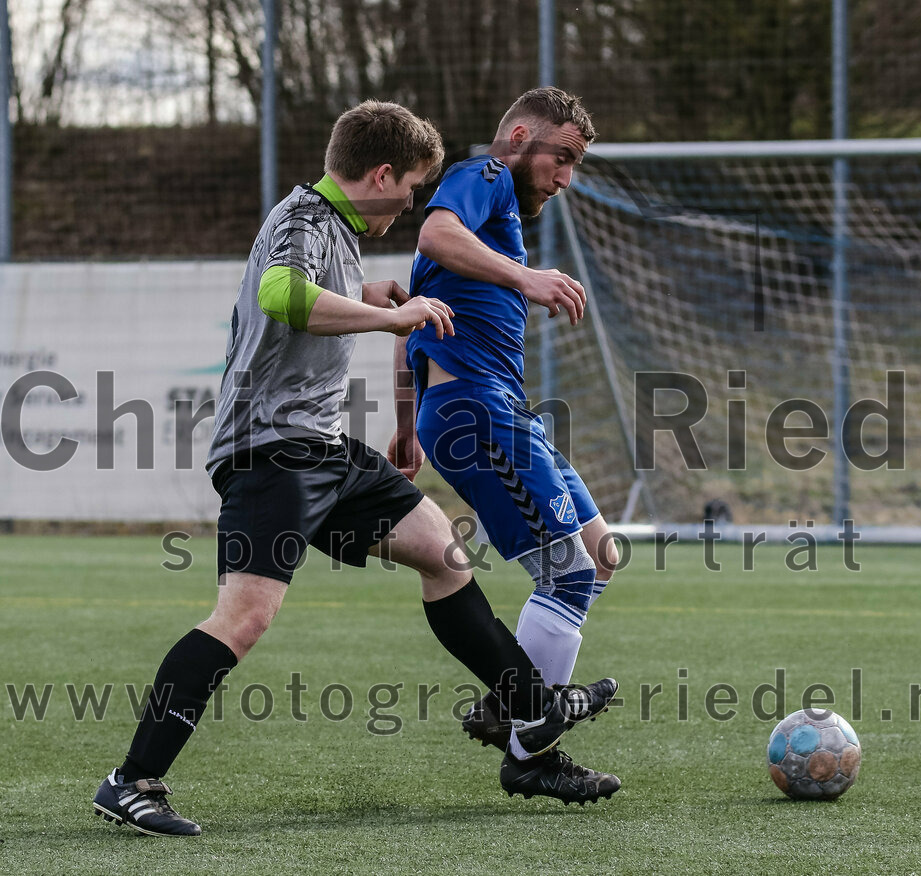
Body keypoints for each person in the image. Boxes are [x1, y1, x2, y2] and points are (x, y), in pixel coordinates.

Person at [92, 100, 619, 839]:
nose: (411, 204)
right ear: (380, 175)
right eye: (410, 188)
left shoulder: (336, 234)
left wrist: (367, 297)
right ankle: (132, 780)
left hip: (325, 449)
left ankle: (530, 712)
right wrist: (387, 317)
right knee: (243, 618)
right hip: (270, 450)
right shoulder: (304, 218)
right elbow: (281, 296)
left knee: (442, 553)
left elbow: (302, 297)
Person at [392, 87, 621, 792]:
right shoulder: (485, 174)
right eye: (562, 158)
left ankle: (506, 704)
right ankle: (530, 754)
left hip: (492, 409)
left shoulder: (496, 219)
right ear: (520, 137)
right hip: (477, 410)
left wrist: (404, 426)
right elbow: (434, 235)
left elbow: (412, 317)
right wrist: (527, 277)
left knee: (599, 556)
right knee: (568, 574)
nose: (566, 178)